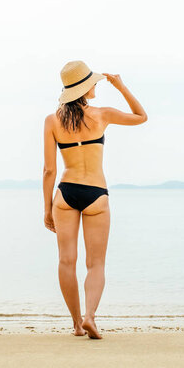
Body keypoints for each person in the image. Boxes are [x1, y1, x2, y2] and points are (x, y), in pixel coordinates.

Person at [42, 60, 148, 339]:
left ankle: (77, 324)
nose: (97, 85)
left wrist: (46, 209)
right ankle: (90, 317)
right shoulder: (102, 114)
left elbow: (49, 170)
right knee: (96, 264)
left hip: (65, 193)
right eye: (94, 82)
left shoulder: (52, 120)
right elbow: (141, 116)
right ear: (85, 87)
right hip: (96, 194)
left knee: (66, 261)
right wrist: (121, 85)